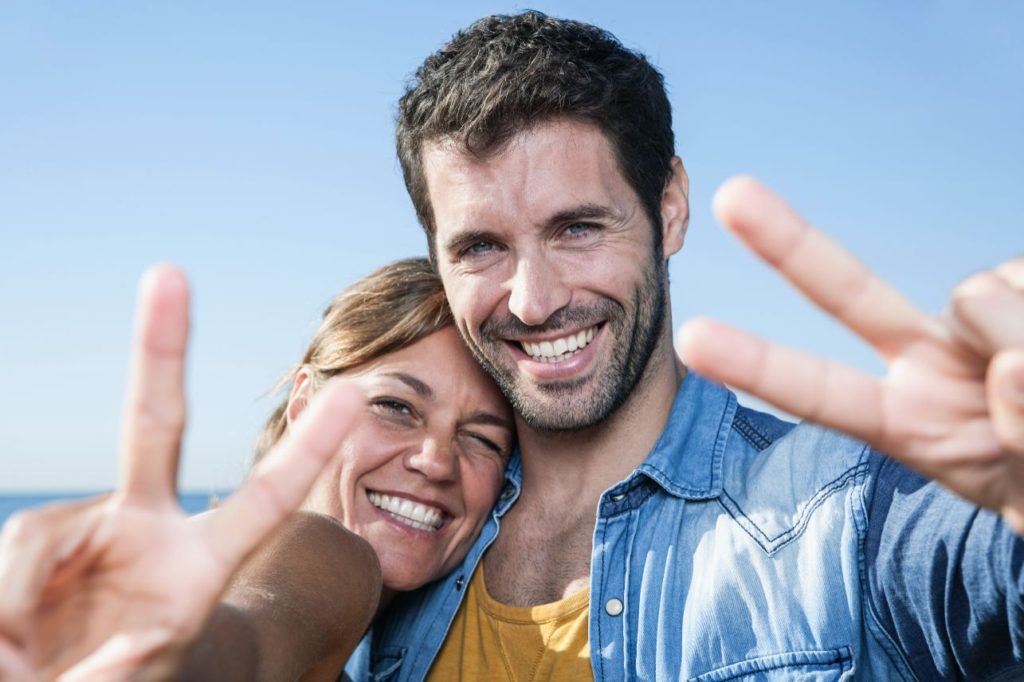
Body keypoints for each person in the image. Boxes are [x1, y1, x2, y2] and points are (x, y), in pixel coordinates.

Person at [344, 11, 1024, 680]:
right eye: (482, 246)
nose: (534, 301)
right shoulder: (418, 539)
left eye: (576, 229)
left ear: (669, 209)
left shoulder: (844, 513)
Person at [0, 257, 514, 680]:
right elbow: (257, 626)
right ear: (304, 406)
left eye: (482, 439)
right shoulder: (324, 550)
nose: (437, 461)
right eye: (396, 407)